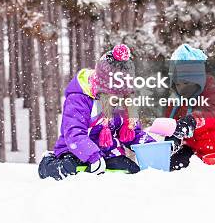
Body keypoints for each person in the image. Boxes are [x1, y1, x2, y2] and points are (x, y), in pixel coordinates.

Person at [38, 44, 152, 180]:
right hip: (76, 152)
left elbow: (134, 133)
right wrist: (93, 155)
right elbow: (74, 133)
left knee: (130, 169)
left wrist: (152, 147)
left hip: (108, 153)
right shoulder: (79, 98)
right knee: (72, 169)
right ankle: (49, 165)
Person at [164, 44, 215, 170]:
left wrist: (191, 121)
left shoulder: (213, 92)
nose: (181, 88)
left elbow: (212, 113)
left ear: (198, 80)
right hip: (194, 150)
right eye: (177, 84)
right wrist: (172, 133)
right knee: (170, 166)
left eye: (186, 83)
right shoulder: (178, 99)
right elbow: (172, 120)